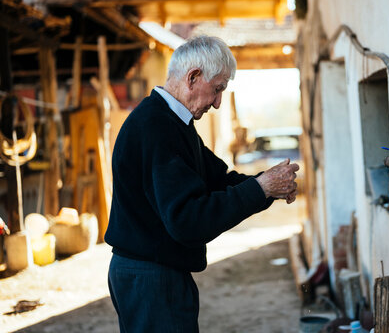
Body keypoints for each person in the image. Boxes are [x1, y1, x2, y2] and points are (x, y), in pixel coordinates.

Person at [105, 35, 299, 333]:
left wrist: (268, 185)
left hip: (154, 271)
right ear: (193, 77)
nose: (218, 103)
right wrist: (262, 188)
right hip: (151, 275)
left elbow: (218, 180)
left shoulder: (172, 122)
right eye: (217, 89)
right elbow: (187, 219)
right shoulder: (158, 127)